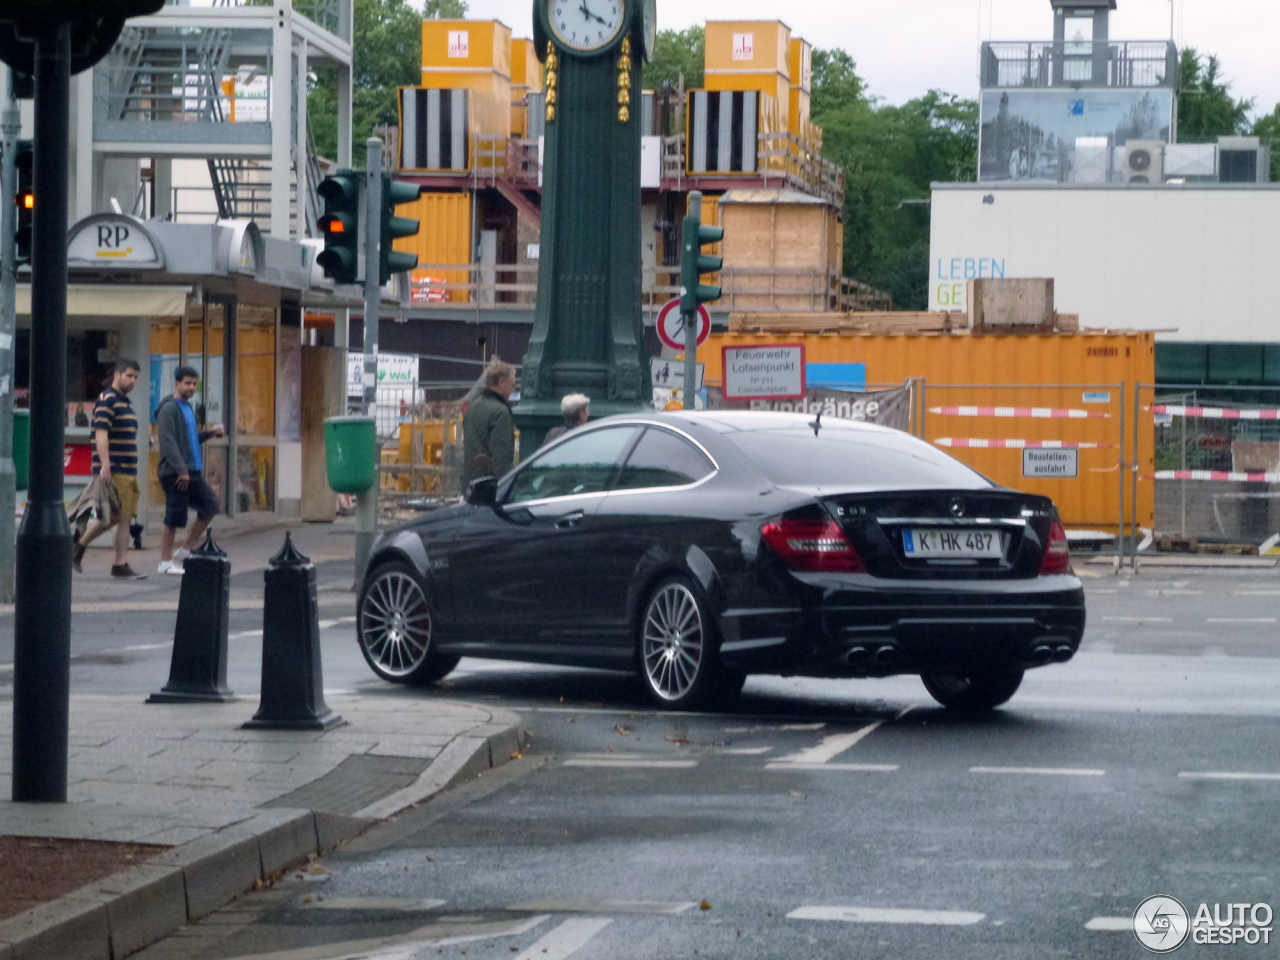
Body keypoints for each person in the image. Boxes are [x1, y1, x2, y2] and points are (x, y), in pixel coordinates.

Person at [72, 359, 146, 579]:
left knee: (123, 518)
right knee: (114, 516)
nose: (132, 381)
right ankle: (78, 546)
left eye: (135, 377)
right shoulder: (107, 400)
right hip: (116, 469)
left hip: (128, 469)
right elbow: (100, 433)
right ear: (117, 375)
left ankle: (120, 564)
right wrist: (105, 464)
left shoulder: (125, 402)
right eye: (129, 376)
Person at [155, 366, 226, 575]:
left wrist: (210, 433)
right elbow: (168, 442)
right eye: (187, 383)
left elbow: (190, 438)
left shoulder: (187, 407)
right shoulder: (169, 408)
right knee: (174, 518)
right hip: (175, 473)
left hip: (192, 471)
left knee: (210, 506)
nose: (191, 387)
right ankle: (165, 562)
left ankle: (185, 550)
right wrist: (180, 470)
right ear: (177, 383)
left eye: (194, 384)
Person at [462, 359, 516, 485]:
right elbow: (501, 459)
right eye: (512, 385)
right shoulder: (501, 412)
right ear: (501, 382)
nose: (513, 389)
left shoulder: (473, 407)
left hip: (470, 482)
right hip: (489, 488)